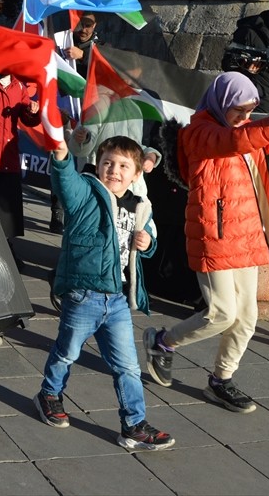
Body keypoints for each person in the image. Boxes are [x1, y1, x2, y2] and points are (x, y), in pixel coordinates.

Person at [143, 72, 269, 413]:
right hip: (214, 234)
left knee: (248, 316)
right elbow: (233, 142)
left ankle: (221, 379)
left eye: (250, 110)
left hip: (247, 233)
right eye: (239, 110)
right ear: (222, 102)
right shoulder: (199, 132)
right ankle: (162, 342)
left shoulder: (245, 129)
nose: (245, 116)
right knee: (222, 314)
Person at [34, 135, 175, 452]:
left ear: (136, 175)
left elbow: (149, 234)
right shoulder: (85, 193)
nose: (114, 170)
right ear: (98, 165)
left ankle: (134, 425)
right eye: (108, 163)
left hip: (118, 300)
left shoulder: (140, 206)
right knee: (67, 351)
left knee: (127, 367)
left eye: (124, 166)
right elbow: (65, 180)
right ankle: (49, 394)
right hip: (84, 294)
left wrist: (148, 243)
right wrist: (60, 154)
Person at [0, 72, 40, 268]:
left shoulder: (18, 86)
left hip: (7, 156)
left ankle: (5, 247)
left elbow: (27, 119)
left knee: (7, 209)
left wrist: (33, 111)